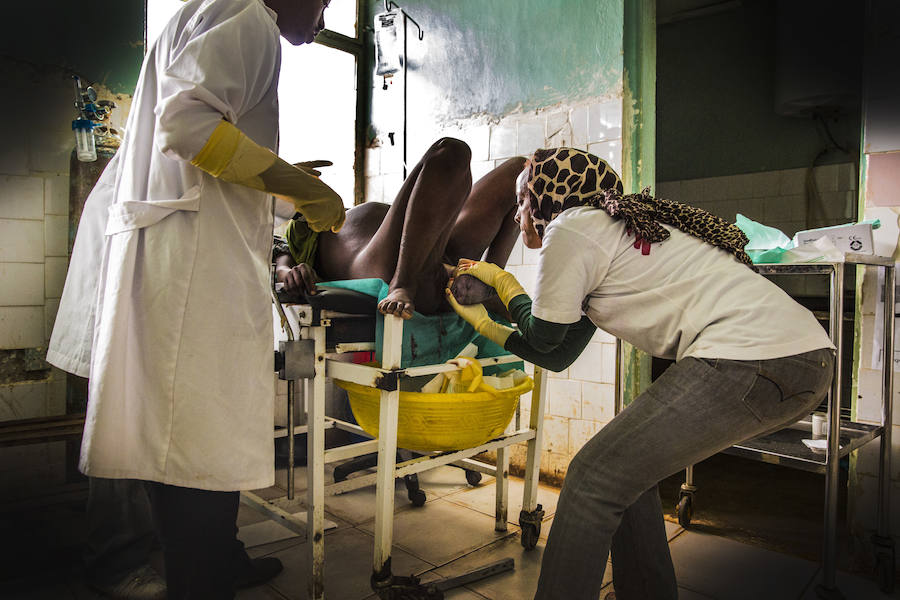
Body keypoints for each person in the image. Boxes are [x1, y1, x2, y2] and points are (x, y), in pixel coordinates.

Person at [46, 0, 345, 598]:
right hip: (186, 282)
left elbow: (205, 160)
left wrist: (281, 206)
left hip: (175, 266)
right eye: (327, 0)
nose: (325, 13)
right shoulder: (252, 19)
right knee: (189, 463)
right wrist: (297, 185)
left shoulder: (212, 12)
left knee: (185, 457)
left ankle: (216, 563)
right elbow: (186, 127)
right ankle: (195, 573)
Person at [446, 147, 835, 600]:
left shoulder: (571, 226)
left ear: (546, 194)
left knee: (591, 477)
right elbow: (556, 353)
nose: (516, 216)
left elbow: (544, 335)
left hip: (751, 357)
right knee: (624, 472)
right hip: (803, 359)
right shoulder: (611, 234)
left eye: (521, 201)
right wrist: (486, 322)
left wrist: (502, 282)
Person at [275, 137, 525, 318]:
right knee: (449, 150)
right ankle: (402, 285)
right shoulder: (291, 227)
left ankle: (489, 280)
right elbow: (279, 263)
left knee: (519, 171)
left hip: (433, 251)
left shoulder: (335, 210)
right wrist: (290, 273)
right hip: (389, 267)